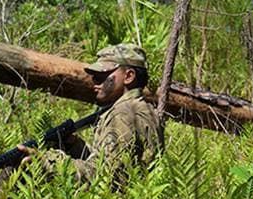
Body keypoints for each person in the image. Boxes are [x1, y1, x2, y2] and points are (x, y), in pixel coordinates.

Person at [18, 43, 163, 183]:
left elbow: (105, 178)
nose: (95, 82)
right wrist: (75, 145)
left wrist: (50, 163)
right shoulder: (145, 108)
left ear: (128, 76)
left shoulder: (122, 113)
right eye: (94, 77)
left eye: (102, 76)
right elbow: (117, 162)